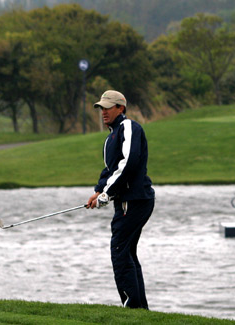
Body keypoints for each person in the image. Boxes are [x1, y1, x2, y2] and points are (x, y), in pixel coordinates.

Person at [87, 90, 155, 309]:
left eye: (108, 107)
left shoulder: (128, 128)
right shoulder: (113, 134)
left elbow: (128, 164)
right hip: (130, 199)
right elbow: (112, 168)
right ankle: (139, 308)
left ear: (121, 108)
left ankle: (132, 306)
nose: (103, 111)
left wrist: (107, 194)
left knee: (119, 250)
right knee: (127, 252)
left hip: (133, 200)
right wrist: (100, 190)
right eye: (101, 108)